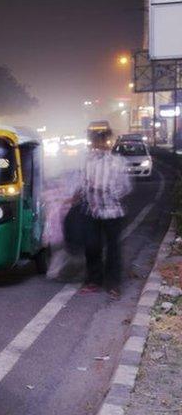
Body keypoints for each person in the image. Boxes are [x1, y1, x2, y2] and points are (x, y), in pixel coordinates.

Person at [78, 128, 131, 299]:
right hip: (91, 211)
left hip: (112, 212)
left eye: (103, 141)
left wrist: (107, 190)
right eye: (96, 141)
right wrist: (85, 191)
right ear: (93, 143)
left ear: (109, 142)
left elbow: (125, 187)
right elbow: (82, 184)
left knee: (113, 249)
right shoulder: (87, 162)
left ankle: (113, 284)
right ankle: (94, 281)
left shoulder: (118, 162)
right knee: (91, 247)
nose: (100, 145)